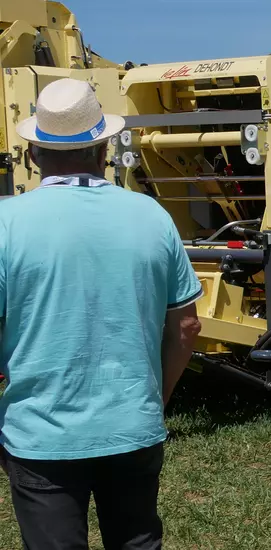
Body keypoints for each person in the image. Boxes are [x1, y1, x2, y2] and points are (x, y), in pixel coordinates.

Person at [0, 78, 203, 549]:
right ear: (104, 147)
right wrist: (158, 396)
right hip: (132, 422)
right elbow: (187, 327)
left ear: (33, 153)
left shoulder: (7, 223)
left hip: (40, 431)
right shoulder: (152, 216)